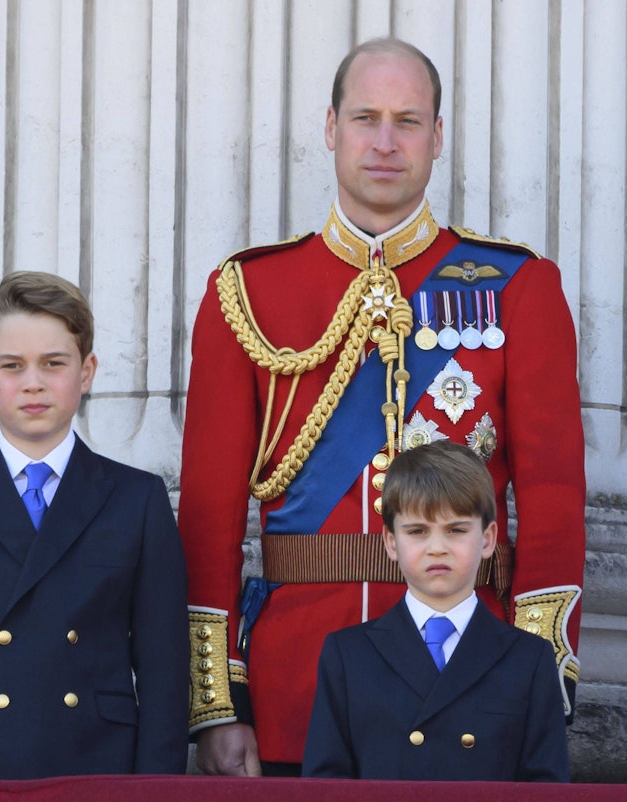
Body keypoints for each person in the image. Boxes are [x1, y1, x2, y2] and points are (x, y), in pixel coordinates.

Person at [180, 37, 585, 775]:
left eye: (408, 120)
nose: (385, 141)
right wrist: (219, 701)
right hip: (291, 688)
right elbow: (207, 515)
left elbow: (554, 500)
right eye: (366, 118)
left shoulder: (516, 286)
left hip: (472, 684)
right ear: (330, 129)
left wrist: (541, 672)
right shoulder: (246, 294)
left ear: (437, 137)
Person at [0, 271, 190, 778]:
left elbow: (164, 672)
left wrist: (155, 789)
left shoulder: (137, 500)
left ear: (86, 371)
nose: (33, 382)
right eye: (12, 365)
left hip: (97, 766)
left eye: (54, 363)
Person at [301, 440, 569, 781]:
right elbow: (326, 786)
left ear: (487, 539)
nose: (437, 548)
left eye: (456, 530)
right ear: (391, 542)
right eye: (418, 532)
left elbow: (545, 786)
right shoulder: (348, 655)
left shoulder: (529, 659)